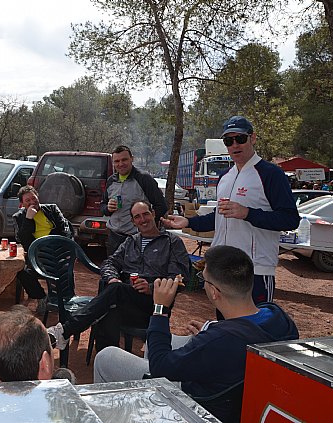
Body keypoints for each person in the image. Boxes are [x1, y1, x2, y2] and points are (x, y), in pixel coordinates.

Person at [93, 245, 299, 422]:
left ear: (214, 292)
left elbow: (159, 367)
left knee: (106, 357)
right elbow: (231, 339)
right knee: (158, 343)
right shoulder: (277, 316)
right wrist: (210, 331)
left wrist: (160, 309)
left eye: (204, 280)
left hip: (199, 406)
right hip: (232, 391)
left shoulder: (220, 339)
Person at [162, 116, 300, 304]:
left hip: (255, 269)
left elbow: (290, 219)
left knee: (254, 330)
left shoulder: (271, 174)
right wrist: (188, 222)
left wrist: (248, 213)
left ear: (253, 138)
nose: (235, 145)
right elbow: (220, 217)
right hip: (222, 268)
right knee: (226, 328)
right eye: (229, 141)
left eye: (240, 139)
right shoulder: (225, 176)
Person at [47, 200, 190, 352]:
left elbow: (180, 278)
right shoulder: (130, 241)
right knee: (110, 305)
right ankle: (106, 359)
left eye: (146, 214)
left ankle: (64, 331)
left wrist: (151, 287)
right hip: (127, 299)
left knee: (113, 293)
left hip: (155, 304)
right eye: (137, 217)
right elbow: (109, 263)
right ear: (134, 221)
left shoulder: (171, 242)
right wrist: (112, 277)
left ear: (153, 214)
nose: (143, 220)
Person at [12, 185, 73, 309]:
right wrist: (28, 219)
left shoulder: (52, 209)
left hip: (56, 252)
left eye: (33, 198)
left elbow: (65, 231)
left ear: (38, 197)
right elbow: (23, 241)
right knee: (21, 271)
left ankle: (66, 300)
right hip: (36, 255)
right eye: (27, 201)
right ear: (22, 204)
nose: (32, 202)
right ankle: (41, 297)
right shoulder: (19, 217)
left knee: (64, 268)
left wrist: (55, 246)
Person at [102, 145, 167, 256]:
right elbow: (102, 206)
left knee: (135, 272)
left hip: (136, 237)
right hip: (114, 237)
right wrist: (107, 208)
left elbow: (161, 206)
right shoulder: (111, 181)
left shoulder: (144, 179)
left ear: (132, 159)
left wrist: (146, 224)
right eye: (117, 161)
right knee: (114, 270)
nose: (121, 164)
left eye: (124, 160)